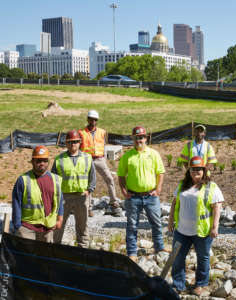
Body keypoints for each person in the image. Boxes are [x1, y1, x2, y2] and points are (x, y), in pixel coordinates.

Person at [168, 156, 223, 297]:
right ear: (189, 170)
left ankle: (200, 284)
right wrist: (170, 221)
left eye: (199, 169)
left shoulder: (211, 186)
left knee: (203, 258)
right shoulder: (182, 184)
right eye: (193, 169)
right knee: (177, 257)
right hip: (182, 230)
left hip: (202, 231)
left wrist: (215, 227)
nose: (196, 171)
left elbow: (217, 207)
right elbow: (174, 203)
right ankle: (178, 284)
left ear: (204, 170)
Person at [117, 126, 167, 262]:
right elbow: (121, 175)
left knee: (156, 223)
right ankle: (132, 252)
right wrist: (123, 190)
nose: (139, 140)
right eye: (136, 137)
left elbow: (160, 172)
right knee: (132, 225)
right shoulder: (127, 156)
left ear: (146, 138)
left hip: (151, 196)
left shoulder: (153, 154)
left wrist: (158, 189)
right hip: (133, 197)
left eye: (141, 137)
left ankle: (159, 247)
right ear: (132, 139)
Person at [53, 130, 95, 247]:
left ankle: (83, 249)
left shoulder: (87, 158)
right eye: (70, 142)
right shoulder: (59, 159)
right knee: (58, 224)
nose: (73, 144)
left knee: (82, 225)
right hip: (64, 197)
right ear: (66, 143)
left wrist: (89, 190)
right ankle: (55, 248)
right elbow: (53, 179)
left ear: (80, 142)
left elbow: (92, 176)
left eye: (76, 142)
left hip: (81, 196)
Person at [12, 146, 63, 242]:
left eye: (44, 160)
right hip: (27, 228)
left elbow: (59, 200)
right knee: (27, 256)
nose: (42, 163)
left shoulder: (55, 180)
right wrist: (17, 226)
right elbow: (16, 204)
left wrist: (60, 219)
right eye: (38, 161)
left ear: (48, 161)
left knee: (44, 256)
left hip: (47, 228)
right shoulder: (23, 180)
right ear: (32, 161)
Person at [79, 109, 122, 217]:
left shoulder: (102, 132)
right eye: (91, 119)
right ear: (88, 119)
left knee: (109, 178)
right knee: (88, 183)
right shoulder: (81, 132)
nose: (93, 121)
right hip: (87, 159)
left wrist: (104, 158)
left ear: (97, 120)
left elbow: (103, 144)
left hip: (99, 159)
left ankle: (113, 202)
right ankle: (88, 208)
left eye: (95, 119)